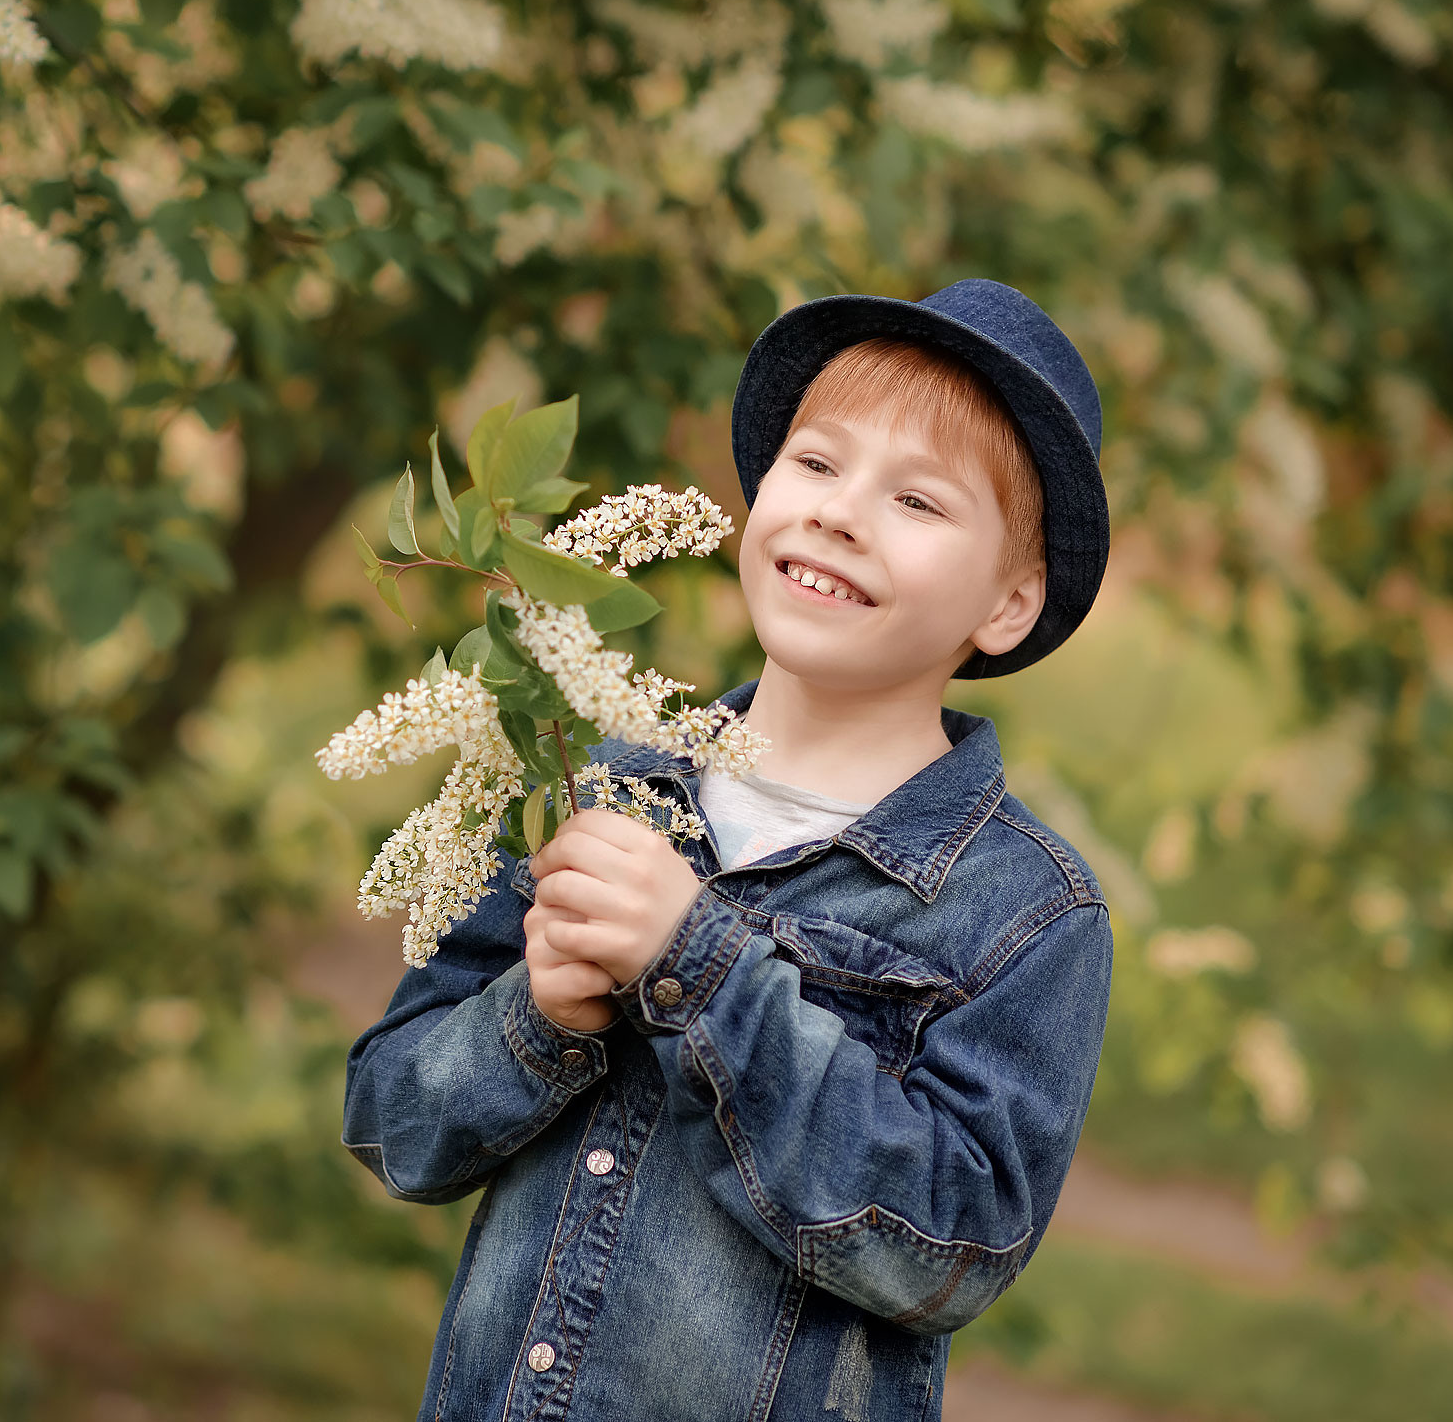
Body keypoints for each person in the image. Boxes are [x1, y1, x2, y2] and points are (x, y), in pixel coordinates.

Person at [343, 279, 1116, 1422]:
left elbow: (949, 1247)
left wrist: (696, 966)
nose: (838, 513)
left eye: (915, 499)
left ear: (1006, 605)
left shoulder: (1022, 911)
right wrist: (537, 1020)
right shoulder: (594, 785)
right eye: (817, 462)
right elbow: (392, 1124)